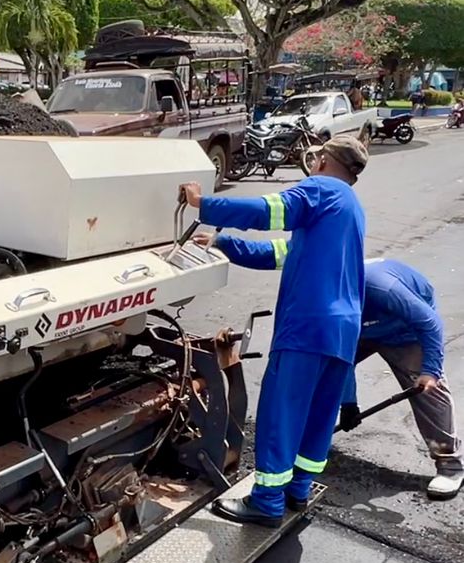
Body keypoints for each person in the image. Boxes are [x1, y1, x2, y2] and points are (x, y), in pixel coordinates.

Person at [181, 134, 368, 525]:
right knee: (317, 414)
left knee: (281, 412)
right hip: (342, 331)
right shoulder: (349, 210)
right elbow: (278, 254)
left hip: (307, 327)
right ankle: (298, 490)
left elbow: (269, 211)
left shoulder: (320, 189)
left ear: (322, 162)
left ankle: (266, 502)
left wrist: (204, 204)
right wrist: (221, 242)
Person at [341, 259, 463, 499]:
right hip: (360, 329)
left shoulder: (381, 287)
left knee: (428, 390)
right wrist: (348, 403)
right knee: (321, 368)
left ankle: (450, 465)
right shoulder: (327, 299)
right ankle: (311, 439)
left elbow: (430, 324)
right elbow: (340, 358)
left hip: (404, 328)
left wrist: (431, 370)